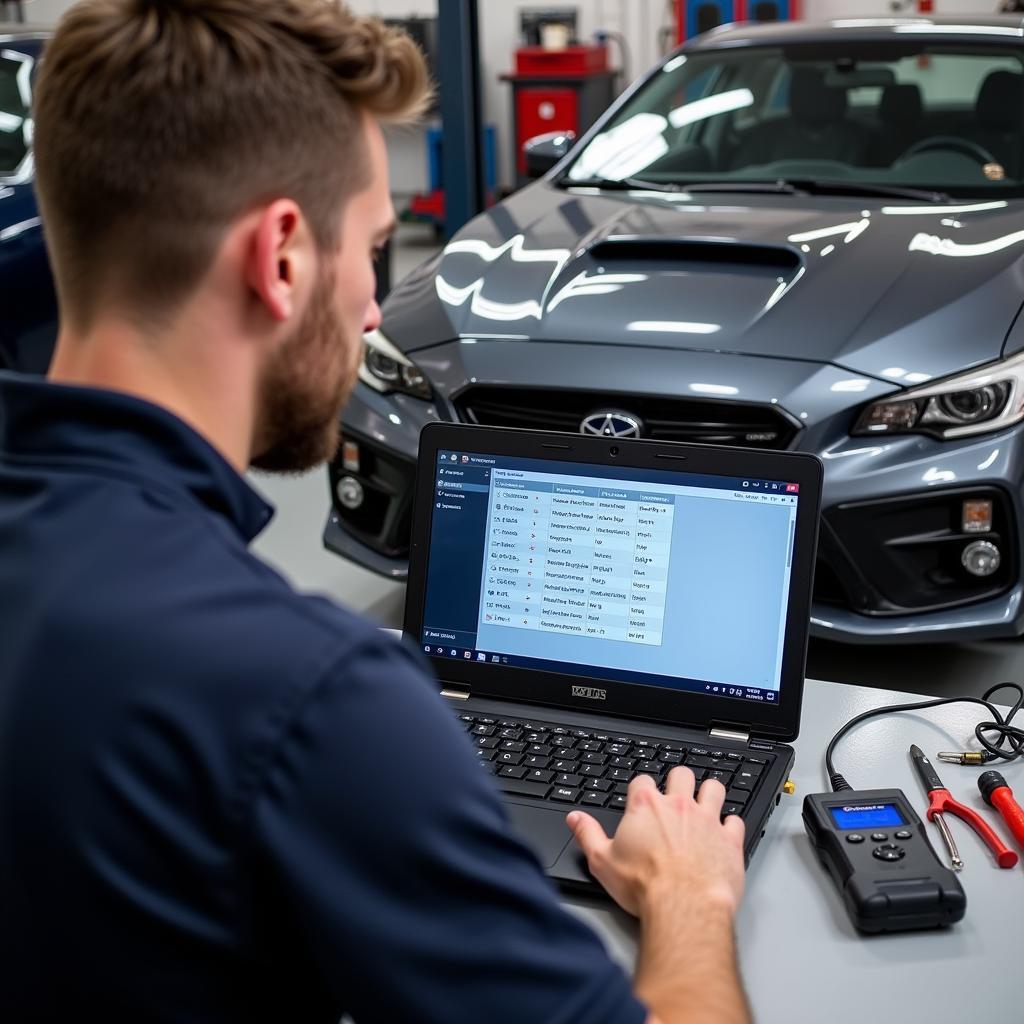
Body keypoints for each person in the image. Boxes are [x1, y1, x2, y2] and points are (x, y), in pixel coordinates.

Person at [0, 2, 751, 1021]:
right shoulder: (309, 692)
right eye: (376, 250)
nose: (370, 308)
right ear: (279, 258)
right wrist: (690, 897)